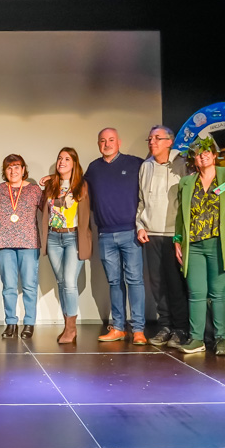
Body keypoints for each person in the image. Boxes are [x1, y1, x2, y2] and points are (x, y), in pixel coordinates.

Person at [173, 136, 225, 357]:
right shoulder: (187, 182)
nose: (202, 156)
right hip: (193, 243)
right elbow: (181, 214)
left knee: (218, 294)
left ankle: (221, 339)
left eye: (207, 152)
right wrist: (177, 240)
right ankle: (196, 339)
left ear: (214, 155)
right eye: (198, 153)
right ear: (193, 158)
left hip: (219, 243)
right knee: (196, 293)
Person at [85, 127, 146, 344]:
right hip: (105, 235)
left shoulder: (136, 164)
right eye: (102, 140)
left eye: (111, 140)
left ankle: (138, 330)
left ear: (119, 142)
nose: (107, 144)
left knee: (135, 281)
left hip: (130, 233)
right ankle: (119, 327)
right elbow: (78, 191)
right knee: (114, 282)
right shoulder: (93, 168)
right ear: (98, 143)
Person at [137, 125, 189, 348]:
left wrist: (182, 235)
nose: (152, 142)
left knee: (175, 284)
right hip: (151, 233)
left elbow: (187, 200)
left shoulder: (182, 164)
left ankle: (180, 328)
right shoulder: (145, 166)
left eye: (158, 138)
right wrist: (140, 225)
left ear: (170, 141)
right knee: (158, 285)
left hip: (173, 235)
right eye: (150, 139)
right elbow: (141, 200)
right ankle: (165, 325)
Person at [0, 154, 42, 339]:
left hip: (29, 243)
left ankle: (29, 323)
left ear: (24, 170)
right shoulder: (0, 189)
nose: (13, 171)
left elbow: (51, 210)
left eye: (17, 167)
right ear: (5, 171)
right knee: (9, 286)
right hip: (5, 244)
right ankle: (11, 323)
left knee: (29, 286)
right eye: (9, 168)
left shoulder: (34, 190)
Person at [40, 147, 91, 344]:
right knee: (61, 283)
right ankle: (66, 326)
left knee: (69, 283)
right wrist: (46, 180)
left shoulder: (82, 186)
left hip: (73, 238)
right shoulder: (51, 185)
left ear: (74, 164)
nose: (62, 161)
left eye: (67, 159)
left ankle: (71, 329)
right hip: (53, 238)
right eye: (60, 158)